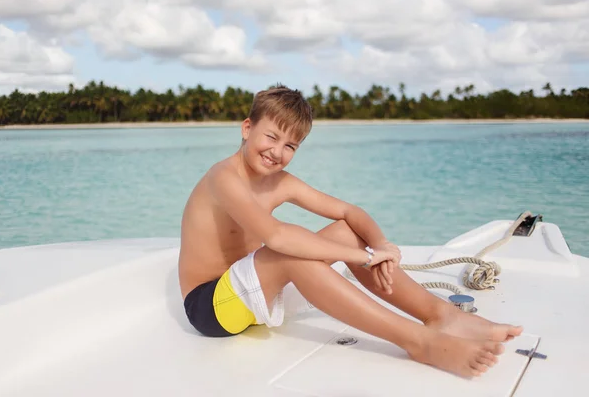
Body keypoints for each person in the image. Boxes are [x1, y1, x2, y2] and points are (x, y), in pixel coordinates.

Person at [177, 84, 523, 378]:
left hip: (254, 295)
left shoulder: (279, 182)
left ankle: (441, 316)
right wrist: (363, 256)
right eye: (271, 136)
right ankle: (417, 342)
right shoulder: (223, 177)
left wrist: (380, 245)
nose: (277, 152)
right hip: (212, 308)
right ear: (247, 128)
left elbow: (347, 212)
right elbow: (278, 238)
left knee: (346, 231)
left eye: (290, 146)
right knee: (289, 250)